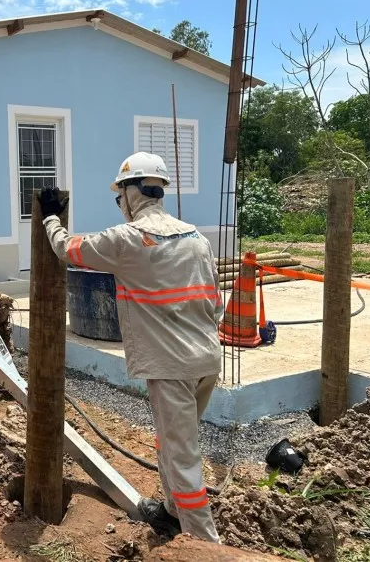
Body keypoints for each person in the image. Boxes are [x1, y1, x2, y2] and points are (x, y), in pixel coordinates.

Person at [36, 151, 223, 544]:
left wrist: (50, 216)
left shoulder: (129, 240)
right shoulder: (197, 239)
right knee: (172, 441)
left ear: (130, 192)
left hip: (171, 366)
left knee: (182, 456)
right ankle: (172, 511)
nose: (119, 204)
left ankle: (206, 546)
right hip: (206, 358)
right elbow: (215, 302)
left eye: (119, 196)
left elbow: (67, 249)